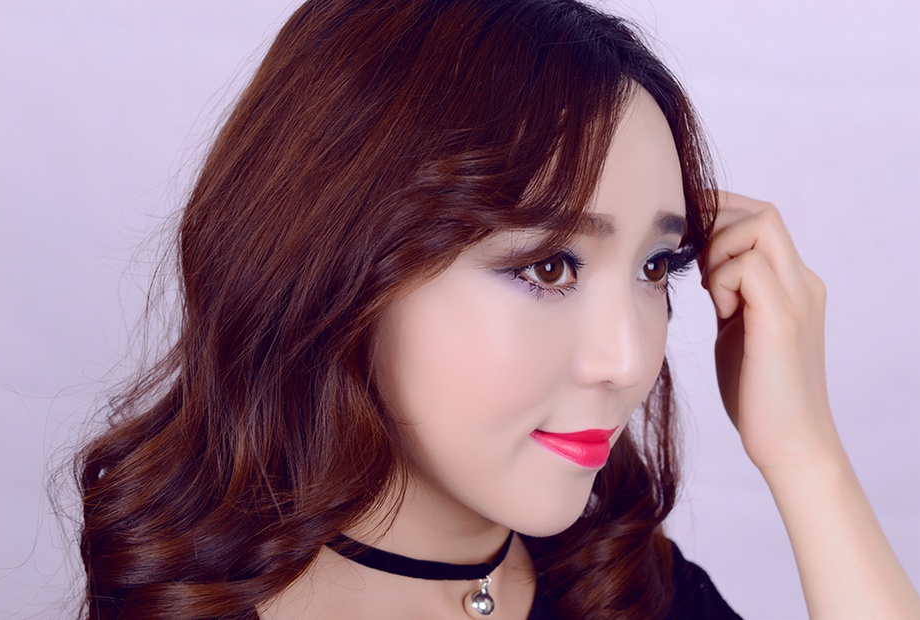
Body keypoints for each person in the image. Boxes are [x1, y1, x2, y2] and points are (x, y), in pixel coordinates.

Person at [75, 0, 920, 618]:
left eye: (656, 266)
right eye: (549, 267)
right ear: (337, 262)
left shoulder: (626, 591)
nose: (629, 360)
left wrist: (808, 458)